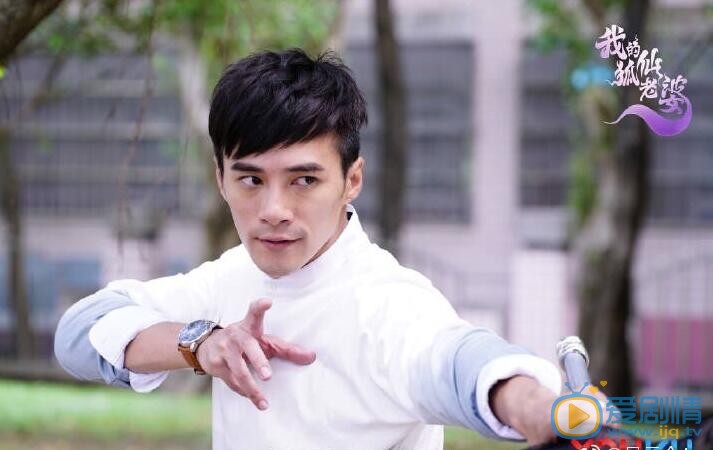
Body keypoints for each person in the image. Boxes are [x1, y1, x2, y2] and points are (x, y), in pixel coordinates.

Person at [54, 48, 564, 450]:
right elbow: (80, 334)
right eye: (251, 179)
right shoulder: (228, 278)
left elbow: (460, 364)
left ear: (351, 180)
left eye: (303, 180)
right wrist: (201, 343)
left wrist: (538, 407)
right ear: (220, 180)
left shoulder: (390, 302)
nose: (274, 209)